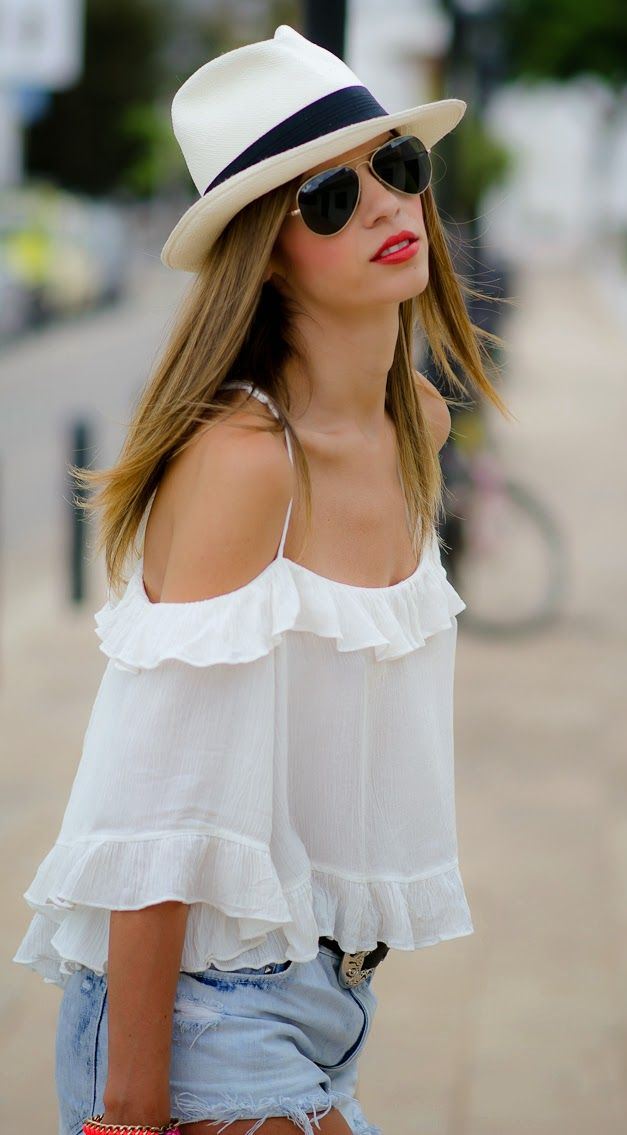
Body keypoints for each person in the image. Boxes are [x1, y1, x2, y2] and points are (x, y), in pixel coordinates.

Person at [13, 24, 511, 1135]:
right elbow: (161, 812)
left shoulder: (419, 426)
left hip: (322, 1002)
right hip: (195, 1020)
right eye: (327, 199)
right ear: (265, 254)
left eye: (396, 167)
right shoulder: (247, 464)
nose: (385, 205)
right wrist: (131, 1118)